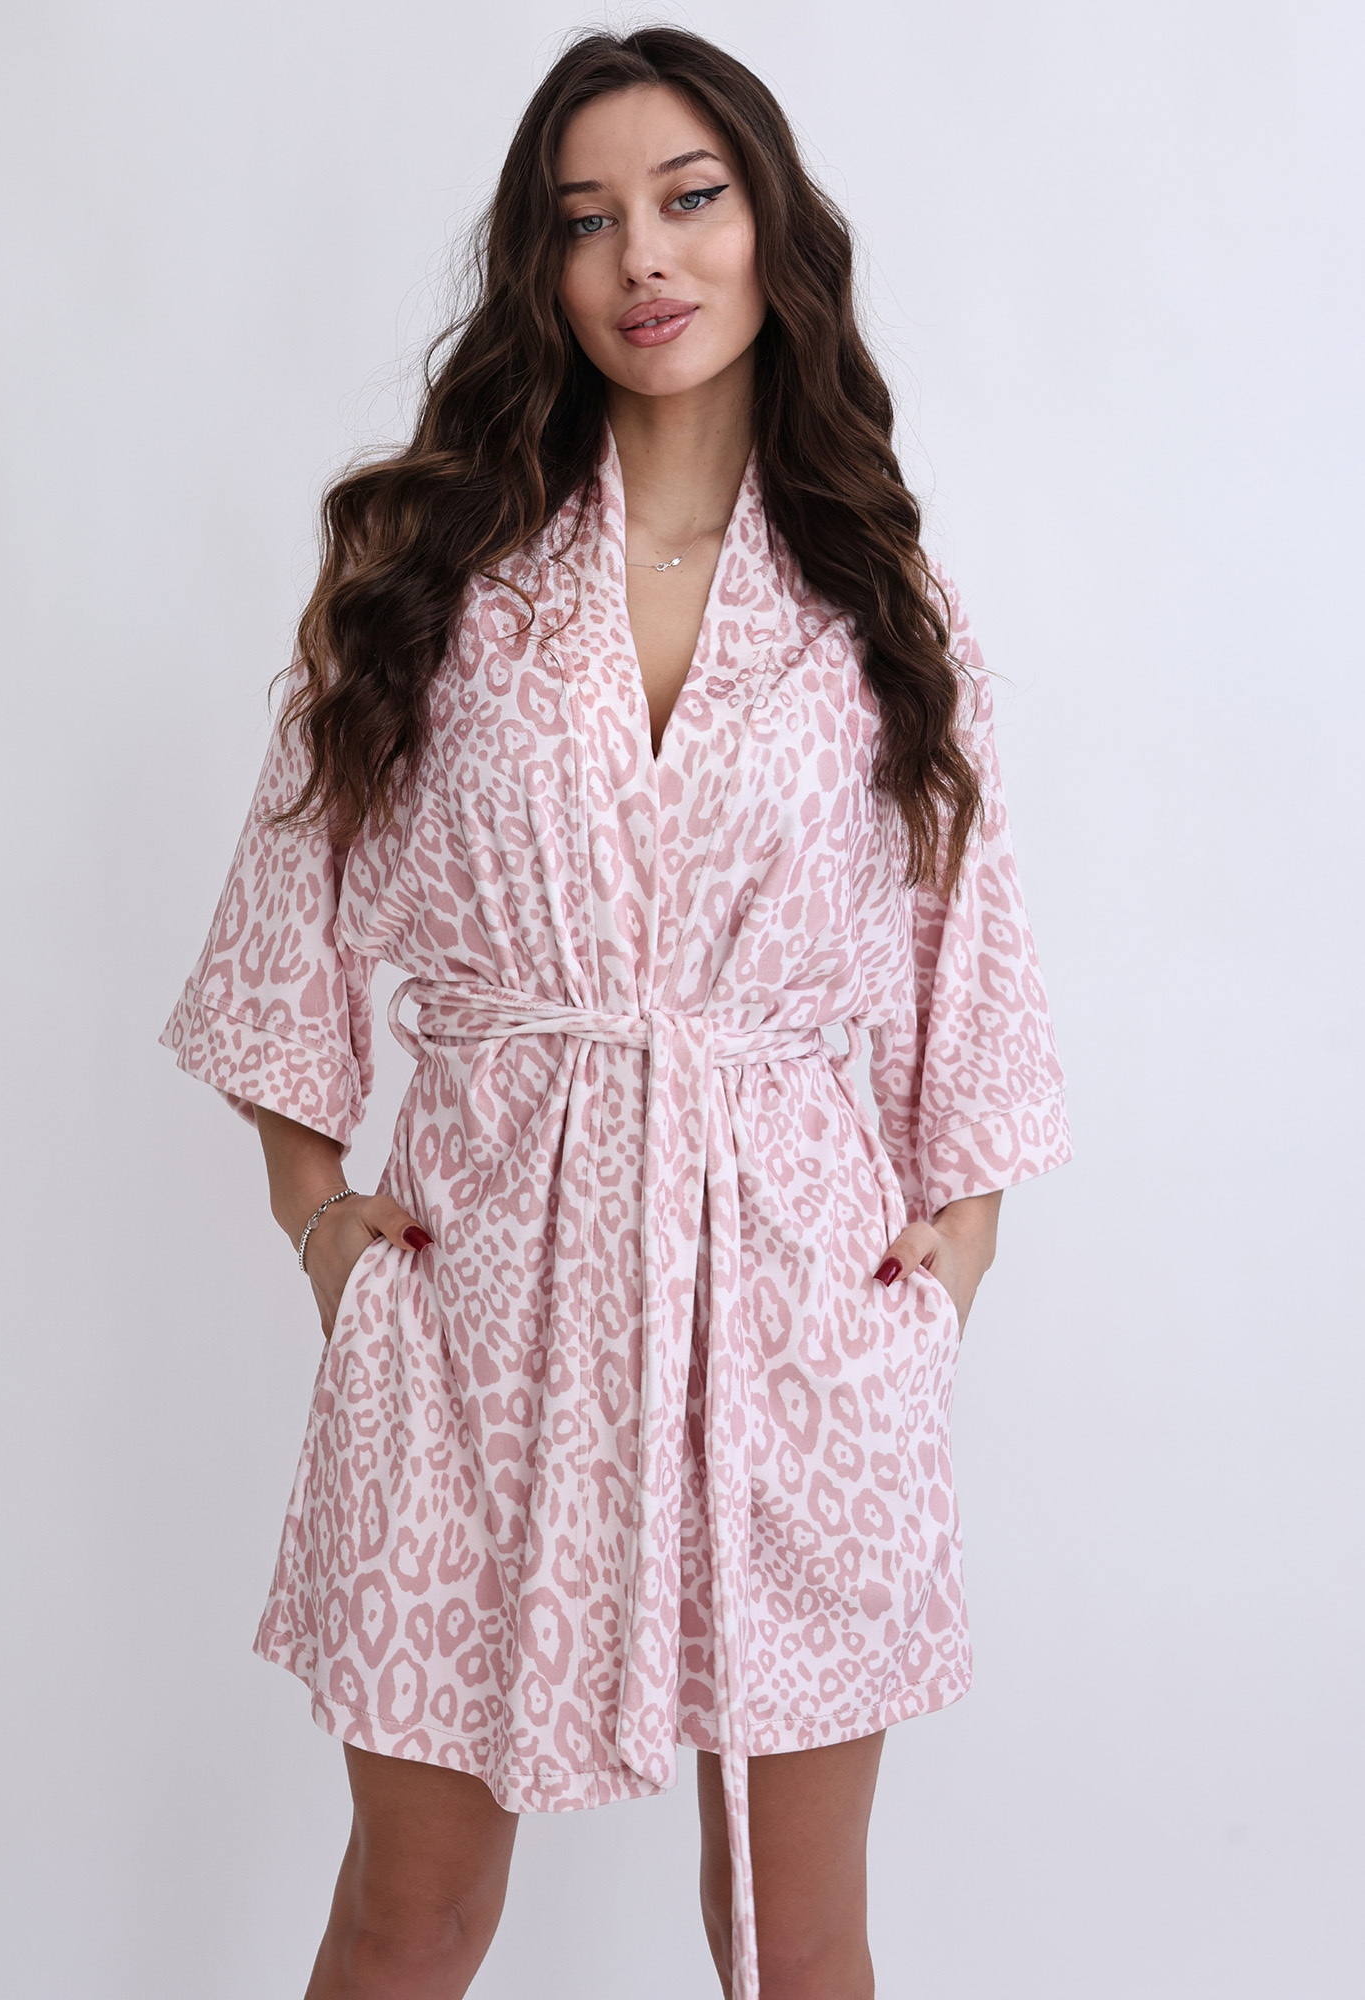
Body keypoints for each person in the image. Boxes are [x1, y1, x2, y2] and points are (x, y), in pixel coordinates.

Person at [161, 25, 1070, 2000]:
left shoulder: (879, 602)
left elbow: (972, 953)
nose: (643, 256)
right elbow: (282, 923)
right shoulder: (434, 573)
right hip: (476, 1310)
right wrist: (319, 1219)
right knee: (410, 1918)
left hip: (797, 1318)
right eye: (587, 220)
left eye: (690, 198)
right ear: (543, 270)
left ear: (771, 230)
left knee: (790, 1940)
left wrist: (951, 1259)